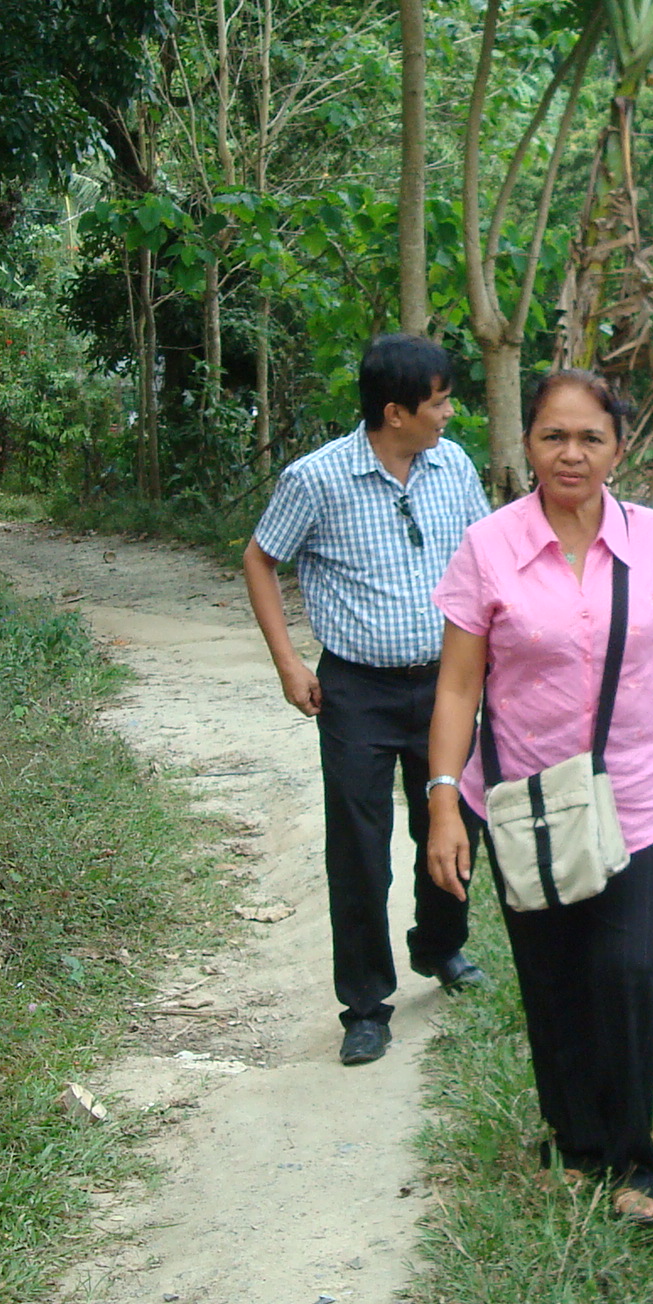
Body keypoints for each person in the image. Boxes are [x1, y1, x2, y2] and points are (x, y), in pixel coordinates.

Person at [424, 370, 653, 1227]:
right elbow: (458, 688)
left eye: (591, 437)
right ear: (527, 444)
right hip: (527, 804)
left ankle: (634, 1160)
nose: (571, 454)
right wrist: (444, 803)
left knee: (624, 972)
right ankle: (574, 1141)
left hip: (643, 798)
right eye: (554, 436)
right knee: (552, 978)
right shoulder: (487, 547)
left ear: (618, 449)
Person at [243, 334, 492, 1069]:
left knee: (456, 822)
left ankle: (440, 946)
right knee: (359, 849)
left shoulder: (453, 467)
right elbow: (259, 558)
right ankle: (364, 1005)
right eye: (439, 402)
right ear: (395, 412)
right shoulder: (317, 479)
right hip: (357, 691)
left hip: (448, 685)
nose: (449, 414)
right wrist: (288, 662)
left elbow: (485, 557)